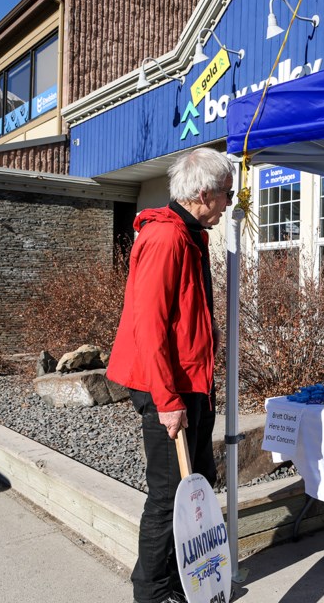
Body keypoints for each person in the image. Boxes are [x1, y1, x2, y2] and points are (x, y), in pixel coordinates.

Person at [106, 147, 233, 603]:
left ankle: (185, 581)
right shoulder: (165, 238)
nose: (229, 204)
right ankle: (152, 591)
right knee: (167, 496)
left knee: (195, 483)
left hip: (189, 380)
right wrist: (169, 400)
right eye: (226, 196)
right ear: (203, 193)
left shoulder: (190, 233)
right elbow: (150, 326)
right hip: (166, 385)